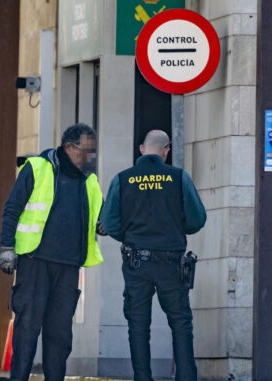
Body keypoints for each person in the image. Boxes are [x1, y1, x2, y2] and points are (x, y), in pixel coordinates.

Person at [0, 123, 104, 381]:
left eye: (93, 152)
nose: (90, 157)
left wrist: (104, 225)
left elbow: (97, 216)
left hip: (68, 268)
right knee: (27, 332)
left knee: (59, 337)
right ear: (69, 147)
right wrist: (7, 248)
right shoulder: (37, 168)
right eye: (85, 151)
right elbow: (12, 208)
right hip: (35, 263)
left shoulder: (89, 181)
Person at [98, 129, 206, 381]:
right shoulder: (179, 177)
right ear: (166, 151)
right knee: (180, 322)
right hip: (172, 262)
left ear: (142, 150)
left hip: (137, 261)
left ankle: (142, 378)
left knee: (138, 324)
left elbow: (110, 222)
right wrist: (177, 228)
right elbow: (197, 219)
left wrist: (131, 237)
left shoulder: (123, 179)